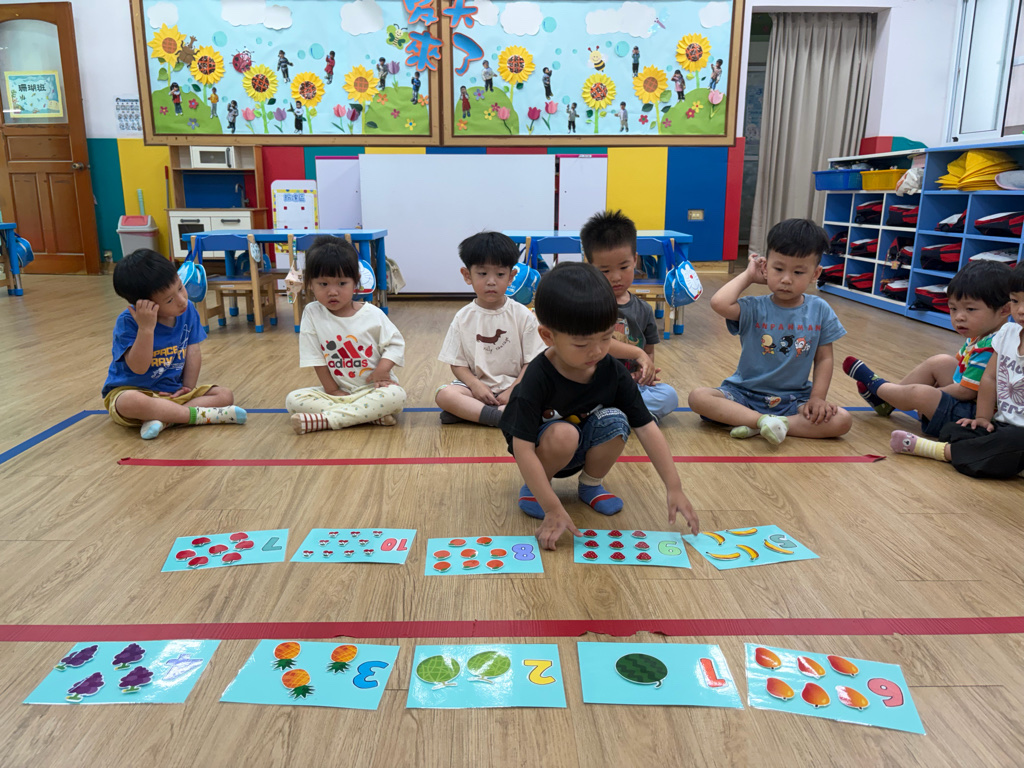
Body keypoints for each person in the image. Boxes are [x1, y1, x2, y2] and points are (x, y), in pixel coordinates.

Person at [500, 262, 700, 550]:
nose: (596, 351)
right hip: (545, 450)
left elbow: (646, 427)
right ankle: (536, 489)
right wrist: (552, 507)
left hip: (584, 442)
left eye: (606, 338)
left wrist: (674, 486)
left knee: (617, 420)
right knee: (564, 433)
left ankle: (591, 485)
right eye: (581, 344)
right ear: (548, 336)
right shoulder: (536, 377)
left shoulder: (612, 371)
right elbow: (522, 448)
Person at [688, 219, 852, 444]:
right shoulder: (754, 307)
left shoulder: (820, 309)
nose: (786, 279)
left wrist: (817, 398)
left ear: (815, 274)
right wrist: (749, 276)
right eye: (778, 269)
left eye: (798, 272)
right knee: (698, 397)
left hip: (794, 400)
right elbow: (719, 303)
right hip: (744, 395)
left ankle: (759, 424)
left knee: (842, 420)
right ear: (765, 267)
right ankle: (763, 421)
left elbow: (824, 358)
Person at [844, 260, 1012, 437]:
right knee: (941, 362)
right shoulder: (979, 336)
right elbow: (959, 370)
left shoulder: (993, 344)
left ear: (1004, 310)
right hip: (968, 403)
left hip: (975, 418)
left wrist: (933, 395)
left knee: (921, 394)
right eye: (953, 309)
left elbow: (966, 391)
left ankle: (878, 387)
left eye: (970, 309)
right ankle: (887, 400)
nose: (959, 317)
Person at [889, 267, 1024, 478]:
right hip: (998, 423)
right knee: (956, 429)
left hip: (1016, 434)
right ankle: (977, 449)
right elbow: (989, 378)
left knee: (1015, 441)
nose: (1021, 310)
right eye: (1015, 301)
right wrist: (982, 419)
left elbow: (968, 389)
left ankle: (940, 451)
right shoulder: (1007, 333)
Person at [102, 249, 246, 440]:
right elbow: (138, 368)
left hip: (173, 392)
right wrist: (146, 329)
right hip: (135, 391)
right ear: (144, 304)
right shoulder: (128, 322)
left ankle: (165, 419)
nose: (182, 300)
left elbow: (193, 351)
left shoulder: (188, 311)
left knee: (225, 395)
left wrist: (188, 387)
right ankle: (193, 416)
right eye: (169, 300)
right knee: (129, 401)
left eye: (180, 287)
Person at [286, 236, 406, 434]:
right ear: (310, 284)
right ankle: (368, 416)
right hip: (338, 393)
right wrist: (332, 391)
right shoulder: (312, 313)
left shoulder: (372, 314)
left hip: (372, 389)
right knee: (293, 400)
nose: (332, 292)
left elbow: (395, 344)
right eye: (323, 284)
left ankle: (327, 420)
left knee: (396, 396)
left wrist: (382, 371)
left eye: (342, 283)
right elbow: (316, 358)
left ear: (355, 282)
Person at [435, 232, 546, 427]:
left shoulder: (523, 315)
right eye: (482, 274)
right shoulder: (463, 317)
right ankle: (499, 416)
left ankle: (474, 413)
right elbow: (457, 364)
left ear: (511, 277)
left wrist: (513, 389)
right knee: (444, 394)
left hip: (516, 385)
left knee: (543, 394)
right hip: (475, 388)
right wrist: (475, 385)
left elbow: (532, 362)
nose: (491, 281)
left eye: (500, 274)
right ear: (467, 275)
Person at [580, 210, 678, 423]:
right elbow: (600, 343)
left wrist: (644, 373)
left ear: (635, 260)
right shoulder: (588, 304)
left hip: (629, 385)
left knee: (669, 396)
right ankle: (630, 414)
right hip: (594, 384)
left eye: (623, 267)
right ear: (590, 266)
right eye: (605, 270)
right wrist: (637, 353)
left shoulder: (643, 309)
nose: (616, 277)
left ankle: (616, 414)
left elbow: (648, 351)